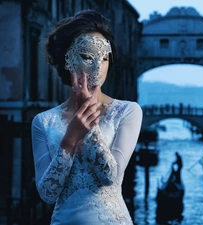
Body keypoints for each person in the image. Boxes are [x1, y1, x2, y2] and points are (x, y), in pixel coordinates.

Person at [31, 9, 143, 225]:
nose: (97, 67)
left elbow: (110, 177)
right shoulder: (43, 122)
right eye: (87, 56)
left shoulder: (128, 111)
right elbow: (47, 193)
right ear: (67, 61)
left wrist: (88, 128)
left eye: (104, 58)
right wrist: (70, 139)